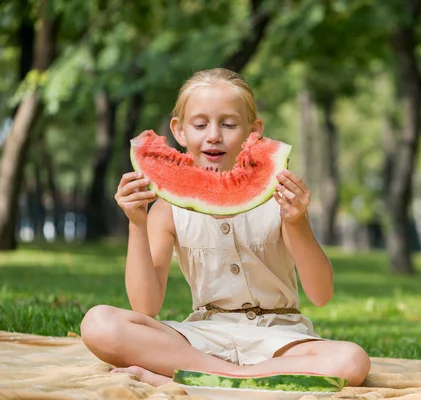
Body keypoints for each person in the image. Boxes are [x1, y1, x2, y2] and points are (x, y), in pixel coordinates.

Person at [80, 68, 371, 387]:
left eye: (229, 124)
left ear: (253, 131)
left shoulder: (280, 200)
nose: (214, 135)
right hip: (201, 336)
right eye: (200, 124)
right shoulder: (167, 210)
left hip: (280, 338)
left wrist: (297, 221)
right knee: (98, 323)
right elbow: (146, 306)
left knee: (352, 361)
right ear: (179, 131)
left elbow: (321, 294)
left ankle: (188, 379)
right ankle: (239, 381)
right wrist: (136, 222)